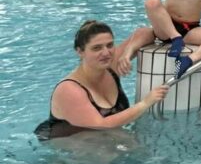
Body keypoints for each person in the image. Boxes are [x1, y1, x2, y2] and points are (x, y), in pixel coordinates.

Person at [36, 21, 169, 140]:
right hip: (68, 151)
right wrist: (145, 103)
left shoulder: (110, 66)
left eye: (110, 45)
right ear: (80, 52)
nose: (106, 53)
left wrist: (127, 54)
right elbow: (101, 125)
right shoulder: (69, 89)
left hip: (101, 142)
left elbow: (147, 32)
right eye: (97, 48)